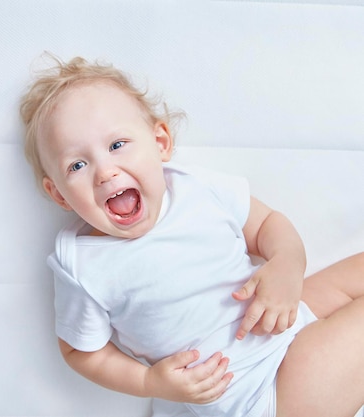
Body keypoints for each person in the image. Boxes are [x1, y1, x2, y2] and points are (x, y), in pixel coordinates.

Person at [19, 55, 364, 417]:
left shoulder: (195, 188)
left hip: (278, 320)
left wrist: (287, 266)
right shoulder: (82, 265)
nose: (105, 172)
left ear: (160, 142)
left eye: (118, 145)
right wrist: (149, 382)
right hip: (259, 395)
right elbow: (81, 352)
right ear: (58, 194)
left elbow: (267, 226)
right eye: (77, 165)